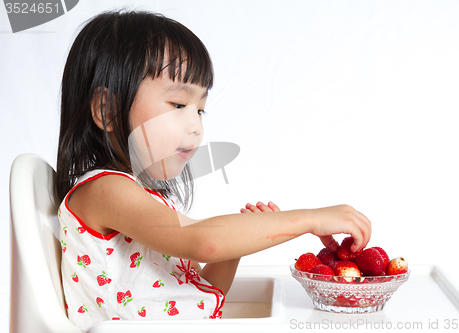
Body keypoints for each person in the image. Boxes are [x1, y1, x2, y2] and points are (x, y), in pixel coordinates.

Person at [56, 9, 372, 330]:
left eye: (201, 109)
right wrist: (309, 218)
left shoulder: (147, 202)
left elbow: (201, 295)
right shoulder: (104, 190)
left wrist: (239, 244)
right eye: (178, 105)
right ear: (106, 110)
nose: (195, 126)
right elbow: (204, 242)